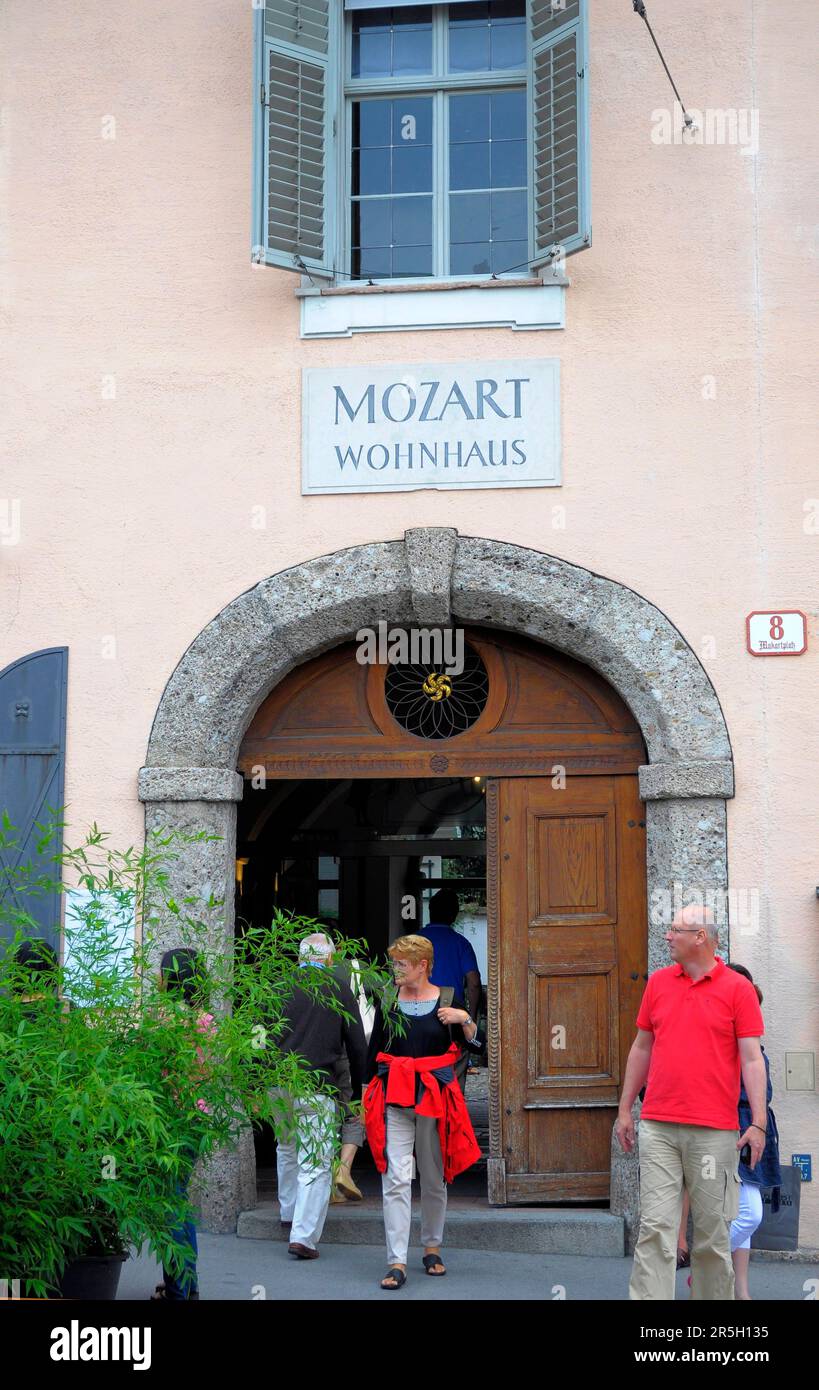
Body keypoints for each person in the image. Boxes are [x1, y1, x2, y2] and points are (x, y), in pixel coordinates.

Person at [616, 904, 768, 1301]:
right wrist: (625, 1109)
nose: (667, 936)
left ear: (701, 937)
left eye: (676, 930)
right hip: (659, 1126)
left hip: (715, 1132)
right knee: (655, 1230)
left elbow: (752, 1059)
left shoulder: (738, 990)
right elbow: (641, 1047)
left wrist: (758, 1123)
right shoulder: (659, 983)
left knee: (713, 1235)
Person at [363, 933, 483, 1290]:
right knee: (396, 1179)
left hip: (433, 1099)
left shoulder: (447, 999)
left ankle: (432, 1247)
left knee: (434, 1177)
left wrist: (464, 1018)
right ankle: (396, 1260)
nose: (396, 969)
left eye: (402, 963)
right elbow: (373, 1050)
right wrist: (365, 1095)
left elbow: (475, 1044)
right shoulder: (388, 999)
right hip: (395, 1097)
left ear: (423, 966)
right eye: (395, 962)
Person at [677, 963, 782, 1300]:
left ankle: (741, 1292)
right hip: (732, 1129)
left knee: (744, 1212)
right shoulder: (721, 1037)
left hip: (753, 1127)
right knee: (749, 1212)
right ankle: (705, 1270)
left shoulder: (749, 1036)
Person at [272, 932, 367, 1259]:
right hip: (318, 1084)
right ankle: (303, 1237)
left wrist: (256, 1080)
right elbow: (357, 1044)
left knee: (286, 1147)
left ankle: (288, 1213)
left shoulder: (277, 988)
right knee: (314, 1161)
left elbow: (258, 1035)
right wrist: (360, 1087)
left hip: (278, 1083)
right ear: (329, 959)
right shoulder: (338, 988)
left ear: (299, 958)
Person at [153, 947, 215, 1301]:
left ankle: (179, 1287)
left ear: (172, 978)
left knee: (170, 1204)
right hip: (198, 1118)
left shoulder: (164, 1021)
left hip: (168, 1121)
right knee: (179, 1200)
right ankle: (187, 1283)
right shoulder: (206, 1020)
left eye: (162, 973)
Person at [422, 889, 482, 1092]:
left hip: (416, 1012)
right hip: (451, 1013)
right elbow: (473, 983)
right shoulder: (460, 943)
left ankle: (425, 1111)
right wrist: (470, 1017)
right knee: (455, 1062)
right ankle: (451, 1112)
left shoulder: (414, 942)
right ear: (454, 914)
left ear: (430, 911)